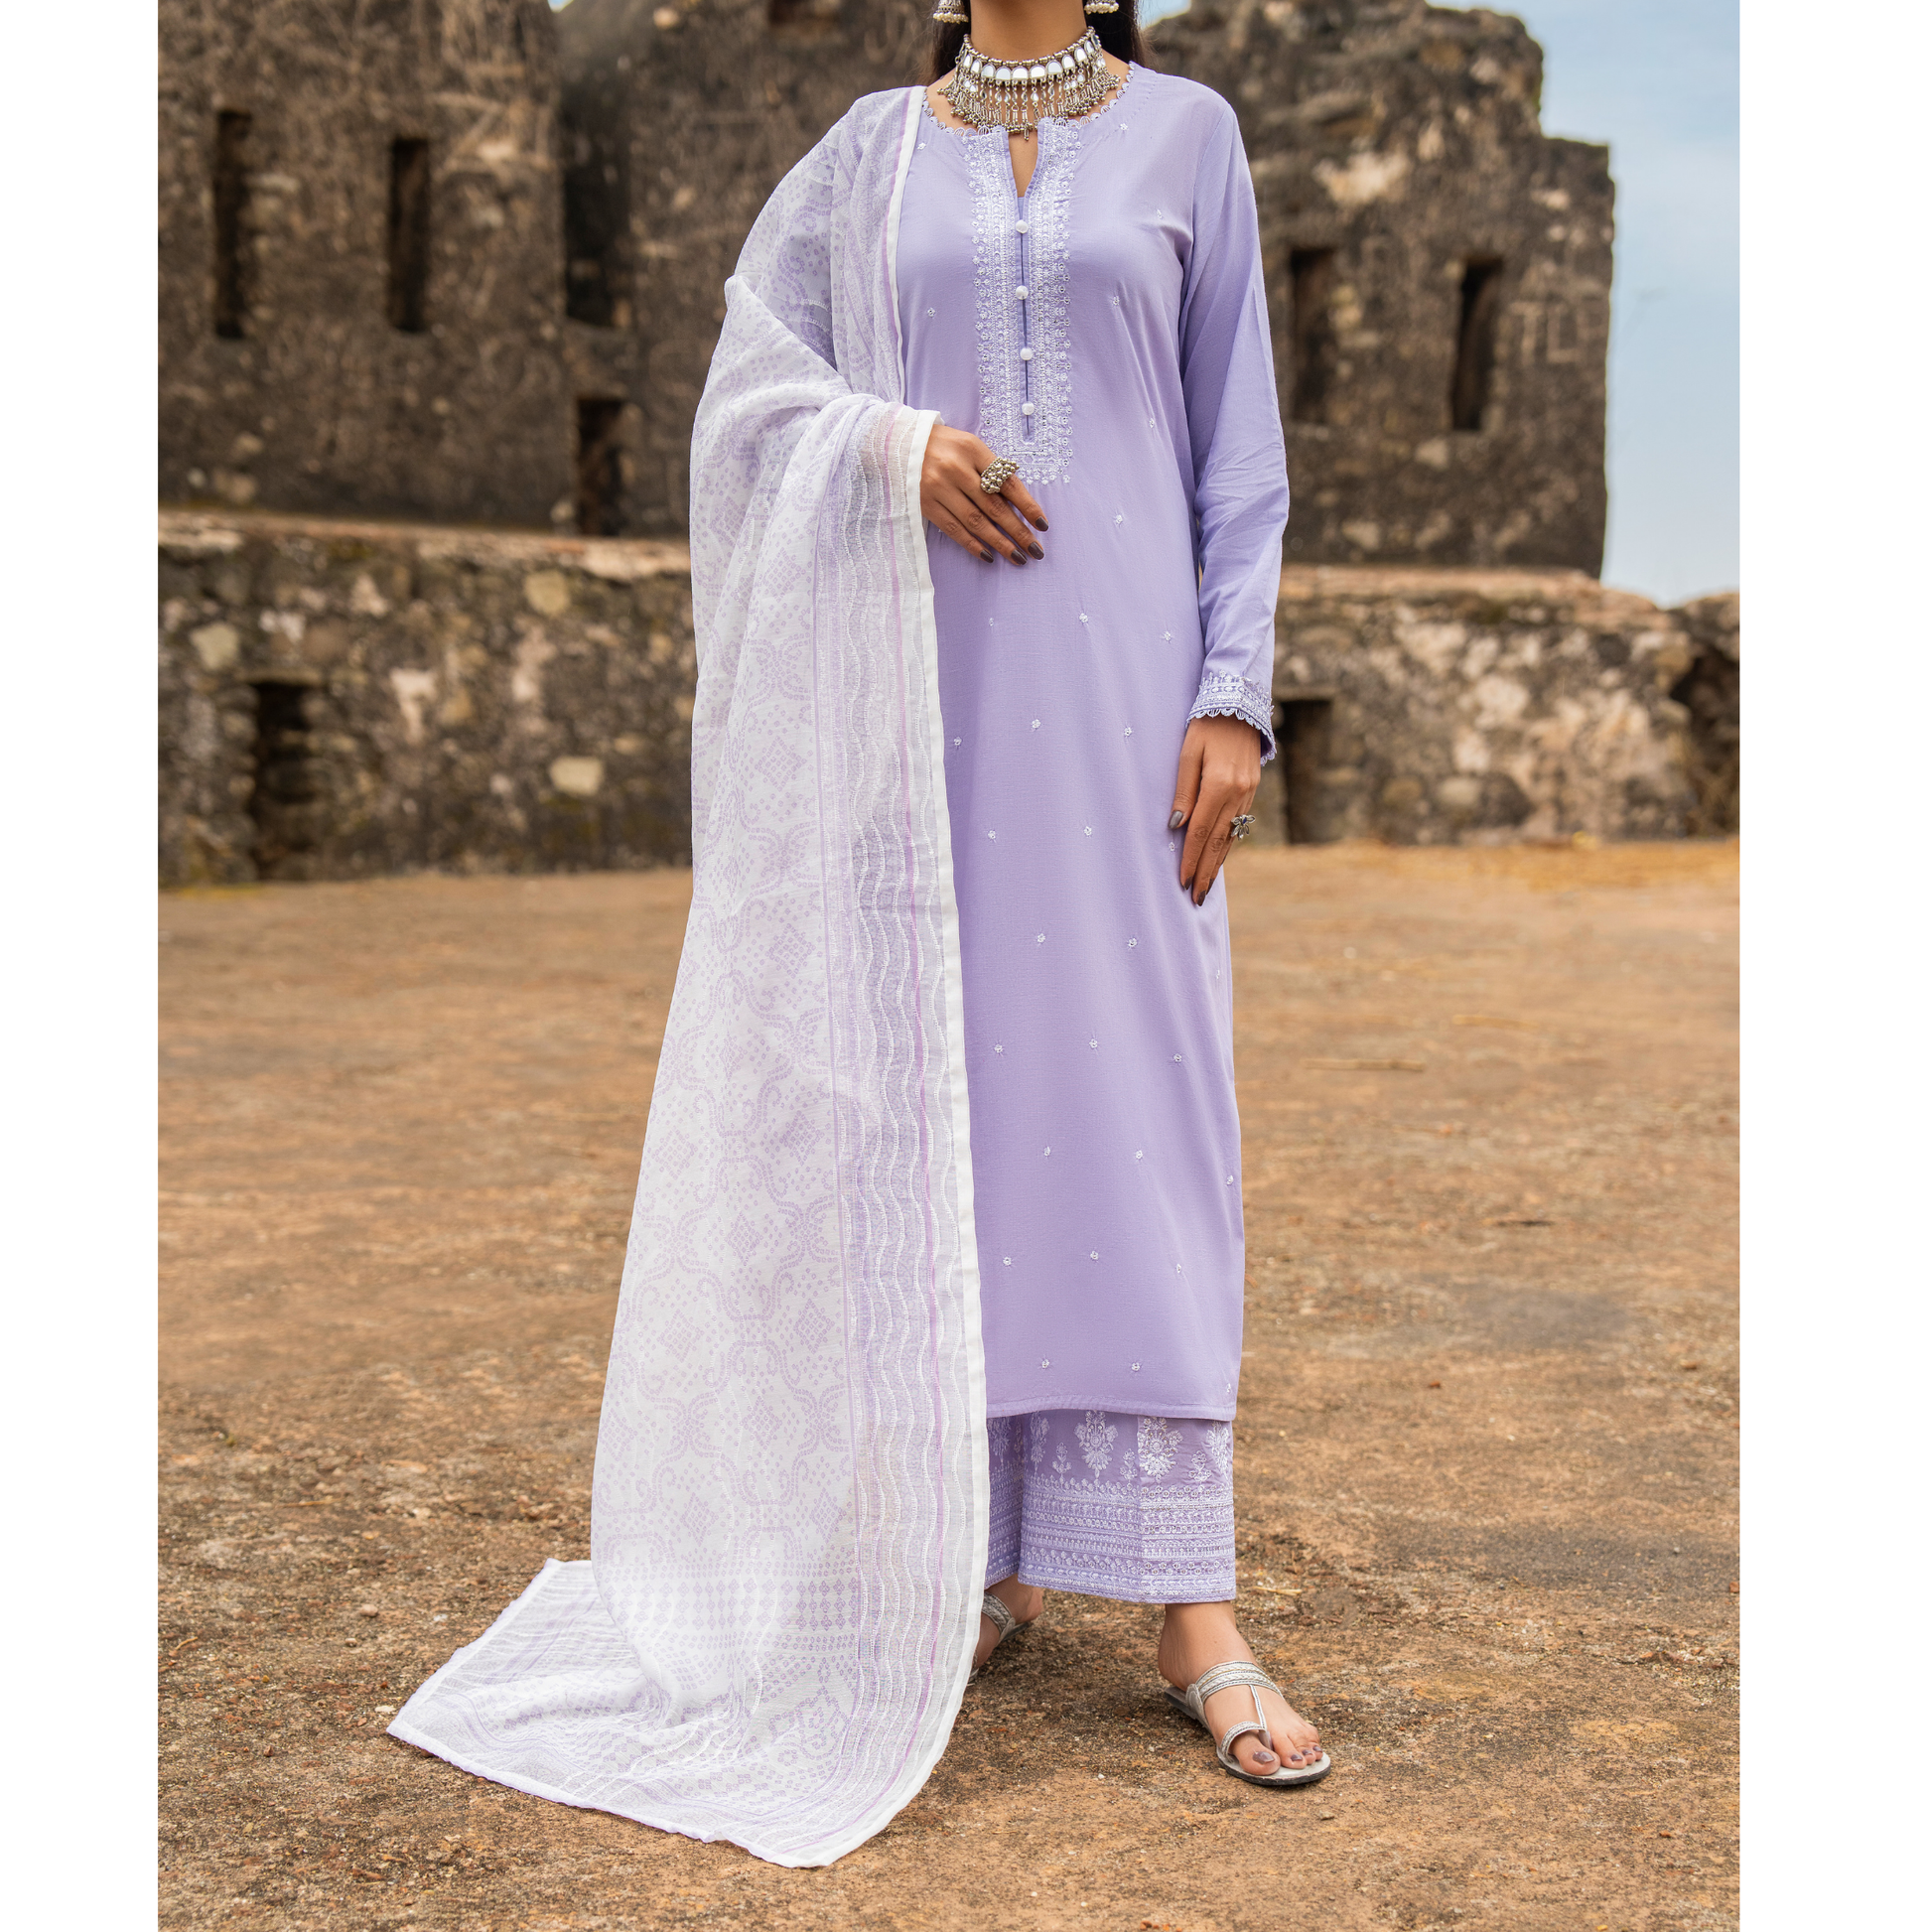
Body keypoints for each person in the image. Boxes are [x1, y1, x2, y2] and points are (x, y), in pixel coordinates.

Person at [389, 0, 1323, 1868]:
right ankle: (968, 1562)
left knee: (1144, 1117)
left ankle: (1190, 1606)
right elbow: (751, 396)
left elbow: (1239, 448)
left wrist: (1234, 692)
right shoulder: (865, 158)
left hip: (1126, 703)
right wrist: (889, 448)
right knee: (936, 1107)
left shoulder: (1189, 136)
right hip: (921, 709)